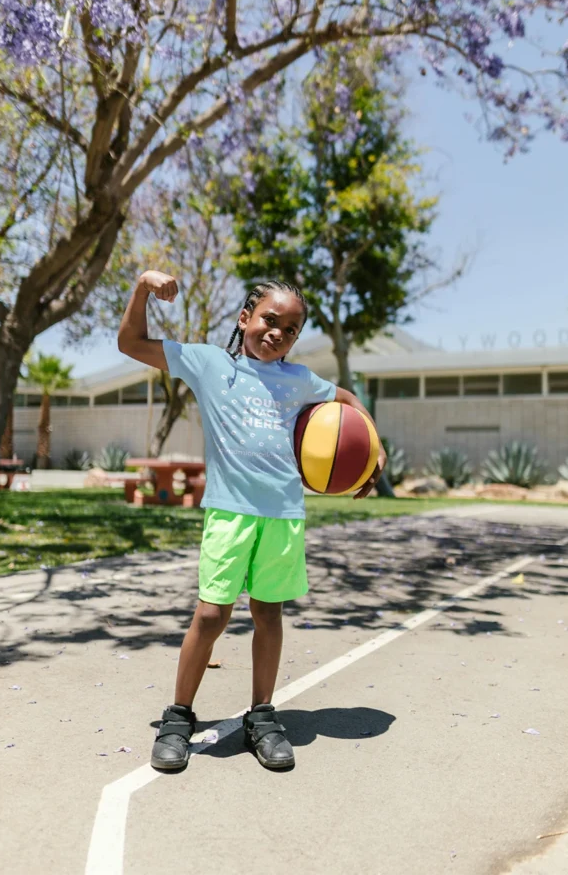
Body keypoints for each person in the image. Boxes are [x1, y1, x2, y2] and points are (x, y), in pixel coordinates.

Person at [117, 269, 386, 771]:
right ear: (245, 318)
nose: (278, 333)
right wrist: (142, 288)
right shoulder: (209, 363)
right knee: (212, 615)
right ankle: (179, 716)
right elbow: (130, 342)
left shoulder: (300, 380)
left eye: (290, 329)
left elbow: (347, 401)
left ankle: (261, 716)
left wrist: (373, 450)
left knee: (268, 613)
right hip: (229, 513)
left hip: (283, 515)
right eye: (269, 320)